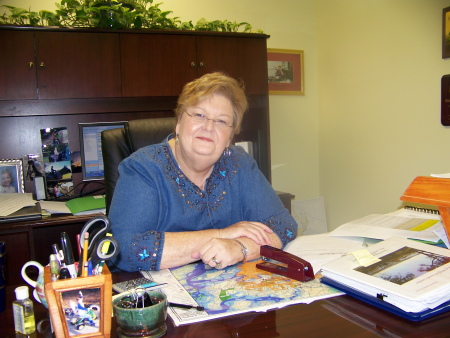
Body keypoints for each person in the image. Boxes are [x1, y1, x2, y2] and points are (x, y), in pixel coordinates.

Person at [109, 72, 298, 272]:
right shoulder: (143, 168)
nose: (209, 127)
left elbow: (283, 225)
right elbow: (125, 249)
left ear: (229, 138)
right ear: (179, 123)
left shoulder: (239, 163)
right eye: (199, 115)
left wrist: (240, 247)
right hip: (160, 297)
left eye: (221, 121)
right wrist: (223, 234)